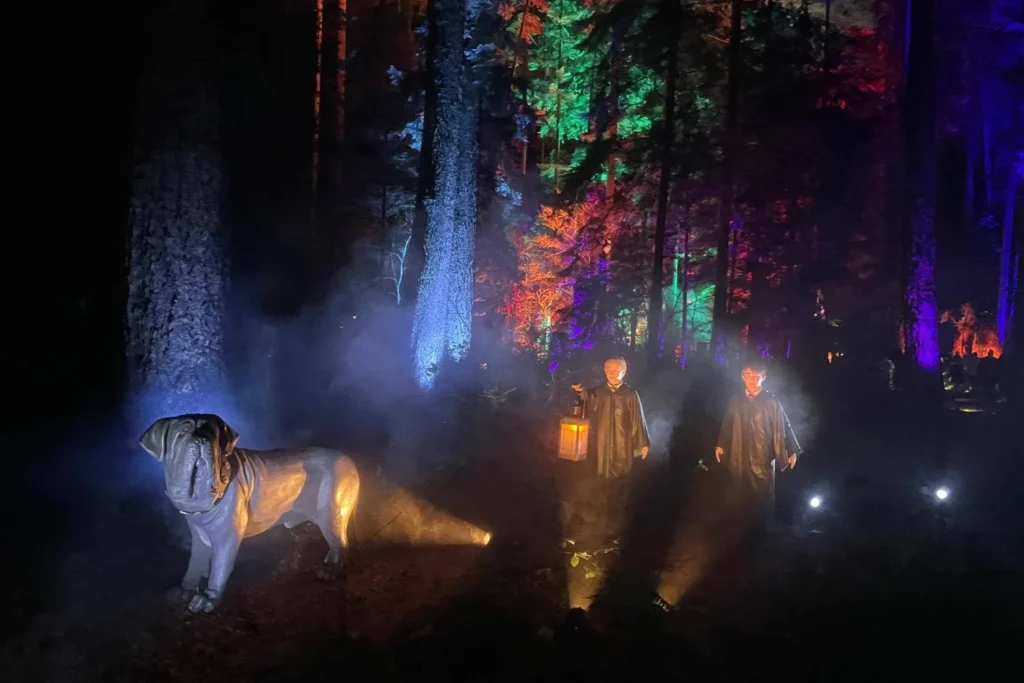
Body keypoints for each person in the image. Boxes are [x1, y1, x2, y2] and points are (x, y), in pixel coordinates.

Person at [715, 361, 801, 531]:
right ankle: (738, 526)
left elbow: (784, 425)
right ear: (742, 377)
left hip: (762, 453)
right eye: (748, 376)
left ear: (763, 378)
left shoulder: (771, 401)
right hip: (739, 451)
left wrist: (791, 449)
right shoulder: (736, 400)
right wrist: (721, 444)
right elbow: (728, 423)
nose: (751, 380)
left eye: (756, 377)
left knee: (762, 492)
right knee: (738, 488)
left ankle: (763, 527)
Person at [571, 357, 650, 480]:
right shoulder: (599, 392)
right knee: (600, 465)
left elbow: (638, 418)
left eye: (615, 370)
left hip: (622, 438)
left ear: (623, 371)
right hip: (601, 437)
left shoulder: (630, 394)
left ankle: (620, 492)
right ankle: (600, 491)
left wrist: (643, 442)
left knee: (621, 467)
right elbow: (587, 399)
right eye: (608, 370)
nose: (611, 373)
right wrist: (581, 391)